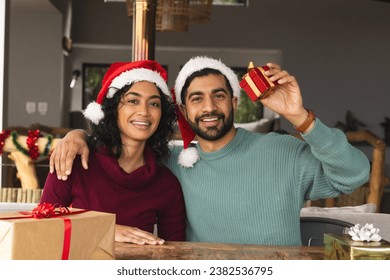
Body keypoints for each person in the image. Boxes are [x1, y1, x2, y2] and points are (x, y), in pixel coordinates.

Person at [49, 56, 370, 246]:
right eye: (196, 98)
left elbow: (353, 174)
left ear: (234, 103)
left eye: (219, 96)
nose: (209, 107)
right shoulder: (173, 161)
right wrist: (78, 136)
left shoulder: (283, 150)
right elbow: (124, 151)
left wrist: (299, 116)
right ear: (184, 112)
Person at [41, 60, 186, 245]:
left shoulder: (167, 184)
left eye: (154, 104)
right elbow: (41, 226)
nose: (144, 111)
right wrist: (104, 229)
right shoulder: (73, 161)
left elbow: (174, 254)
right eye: (133, 101)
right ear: (113, 109)